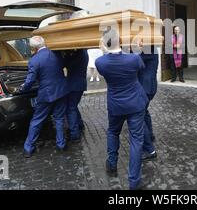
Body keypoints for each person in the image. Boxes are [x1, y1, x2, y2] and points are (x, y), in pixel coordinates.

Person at [95, 29, 148, 190]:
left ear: (104, 43)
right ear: (121, 41)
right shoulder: (133, 59)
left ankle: (111, 163)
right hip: (135, 103)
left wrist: (104, 49)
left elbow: (106, 61)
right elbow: (141, 68)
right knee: (136, 141)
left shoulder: (100, 62)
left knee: (113, 132)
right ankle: (134, 181)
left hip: (116, 104)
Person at [19, 36, 69, 158]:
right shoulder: (56, 54)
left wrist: (22, 88)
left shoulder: (34, 60)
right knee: (59, 118)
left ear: (34, 48)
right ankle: (61, 145)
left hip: (46, 94)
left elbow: (30, 81)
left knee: (37, 120)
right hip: (61, 91)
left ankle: (28, 148)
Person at [137, 45, 159, 162]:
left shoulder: (148, 50)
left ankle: (150, 150)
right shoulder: (150, 48)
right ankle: (150, 135)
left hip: (145, 88)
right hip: (148, 87)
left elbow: (133, 60)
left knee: (138, 117)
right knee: (144, 112)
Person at [64, 49, 89, 142]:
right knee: (73, 105)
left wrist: (65, 54)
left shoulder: (78, 53)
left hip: (75, 85)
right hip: (80, 83)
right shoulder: (83, 52)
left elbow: (66, 64)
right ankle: (79, 124)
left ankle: (74, 135)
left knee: (70, 108)